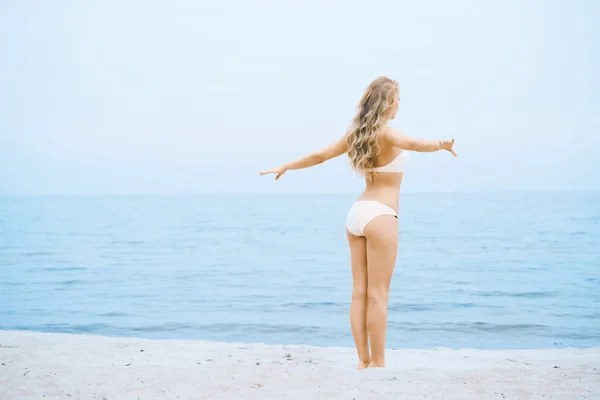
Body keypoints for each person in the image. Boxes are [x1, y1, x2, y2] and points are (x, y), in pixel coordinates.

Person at [259, 76, 457, 369]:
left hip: (357, 213)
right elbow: (414, 144)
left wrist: (287, 165)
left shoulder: (356, 135)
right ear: (388, 101)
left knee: (359, 293)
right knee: (379, 294)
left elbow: (319, 156)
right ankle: (378, 363)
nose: (400, 104)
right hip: (381, 214)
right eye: (398, 99)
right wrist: (440, 144)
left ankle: (363, 361)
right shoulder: (388, 134)